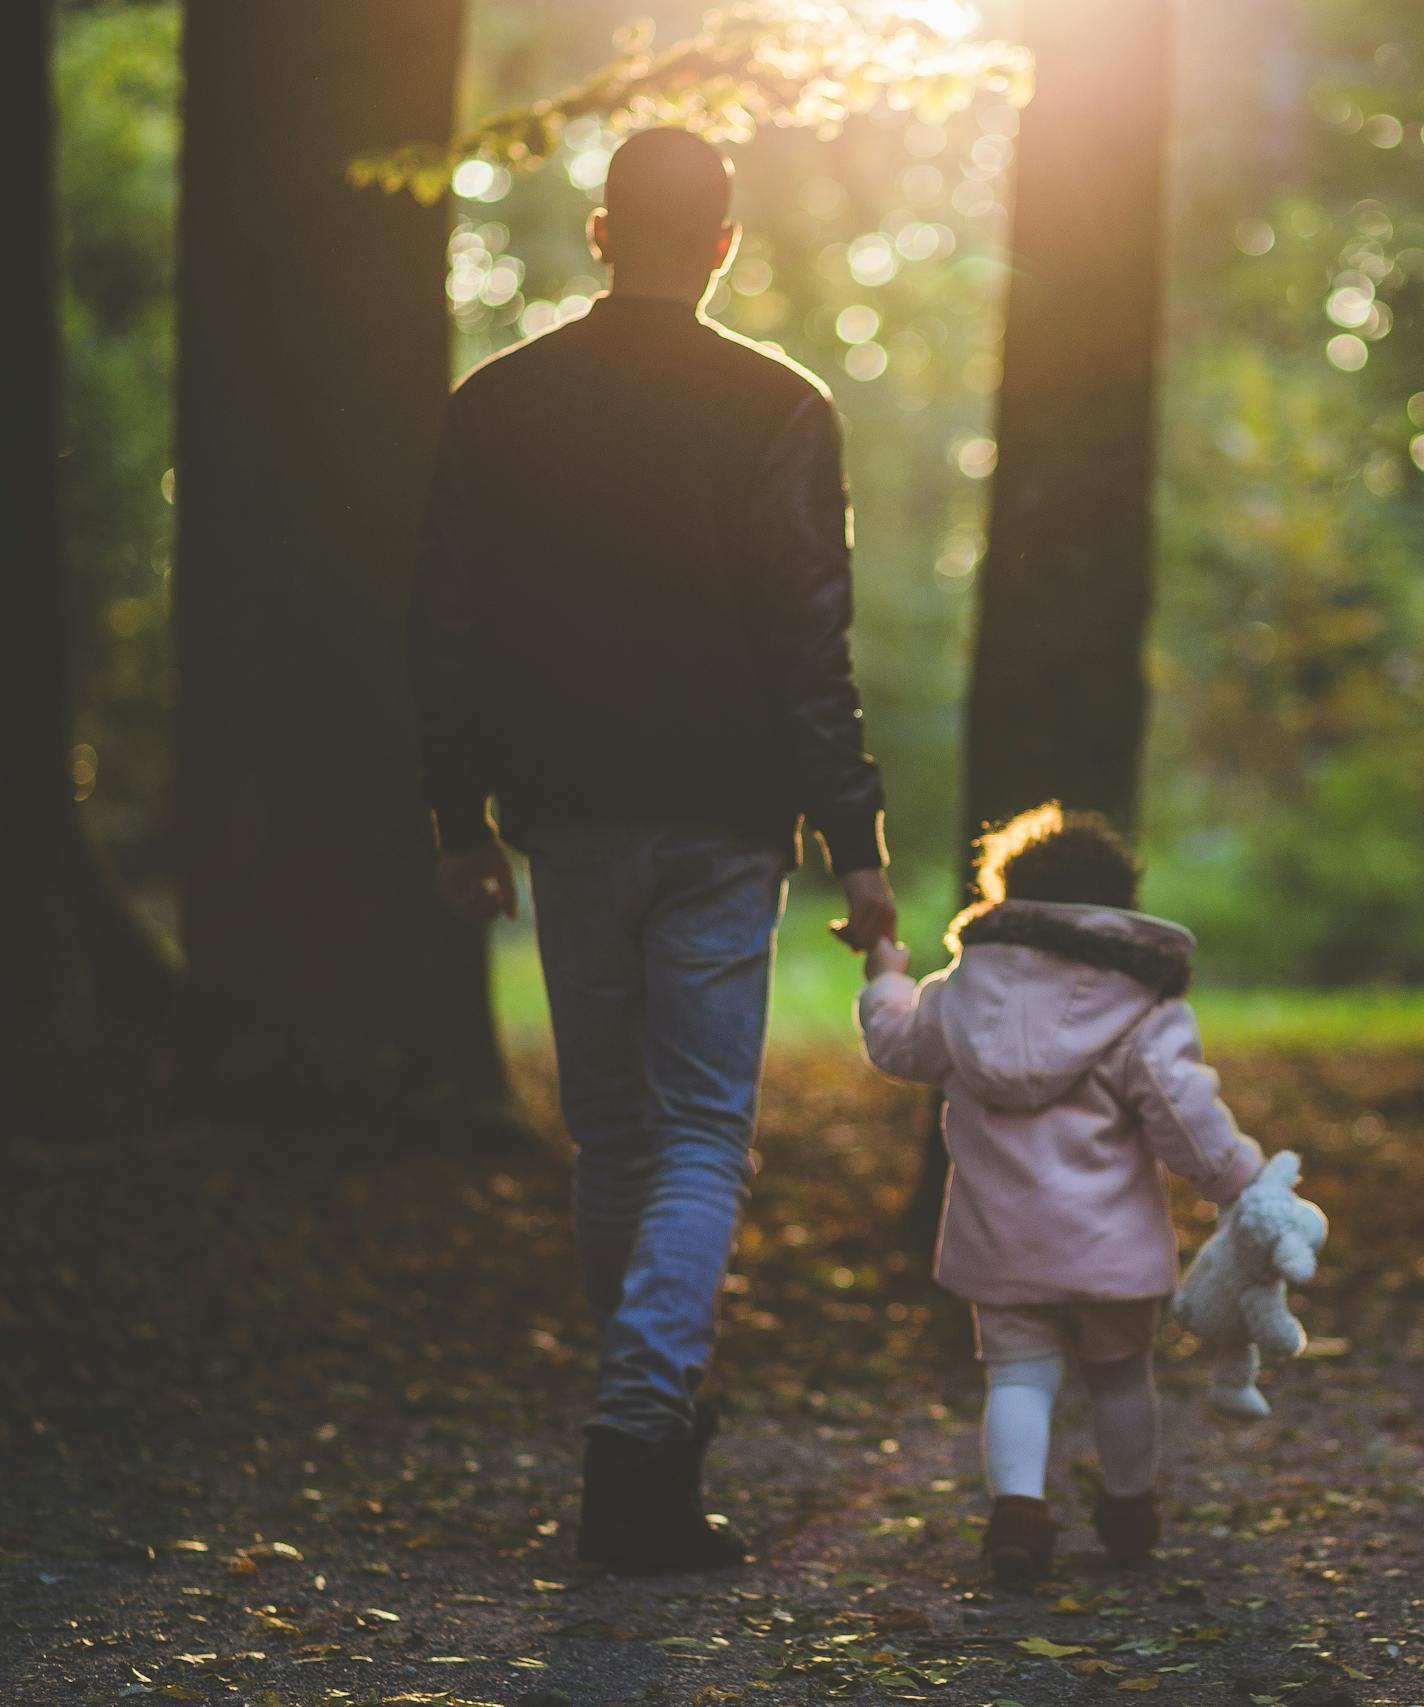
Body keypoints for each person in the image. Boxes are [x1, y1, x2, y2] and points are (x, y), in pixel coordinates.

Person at [408, 127, 897, 1574]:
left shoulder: (499, 404)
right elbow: (815, 640)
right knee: (693, 1135)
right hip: (727, 820)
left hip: (567, 818)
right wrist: (856, 837)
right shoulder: (781, 407)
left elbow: (446, 621)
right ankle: (639, 1447)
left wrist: (458, 815)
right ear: (727, 244)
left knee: (616, 1135)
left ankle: (649, 1454)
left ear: (602, 232)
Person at [853, 804, 1262, 1587]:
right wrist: (1238, 1183)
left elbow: (898, 1044)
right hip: (1113, 1248)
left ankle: (1017, 1514)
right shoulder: (1144, 1000)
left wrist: (886, 981)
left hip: (1000, 1240)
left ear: (1010, 894)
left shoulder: (965, 988)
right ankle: (1129, 1509)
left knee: (1017, 1377)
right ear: (1119, 904)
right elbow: (1183, 1113)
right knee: (1119, 1374)